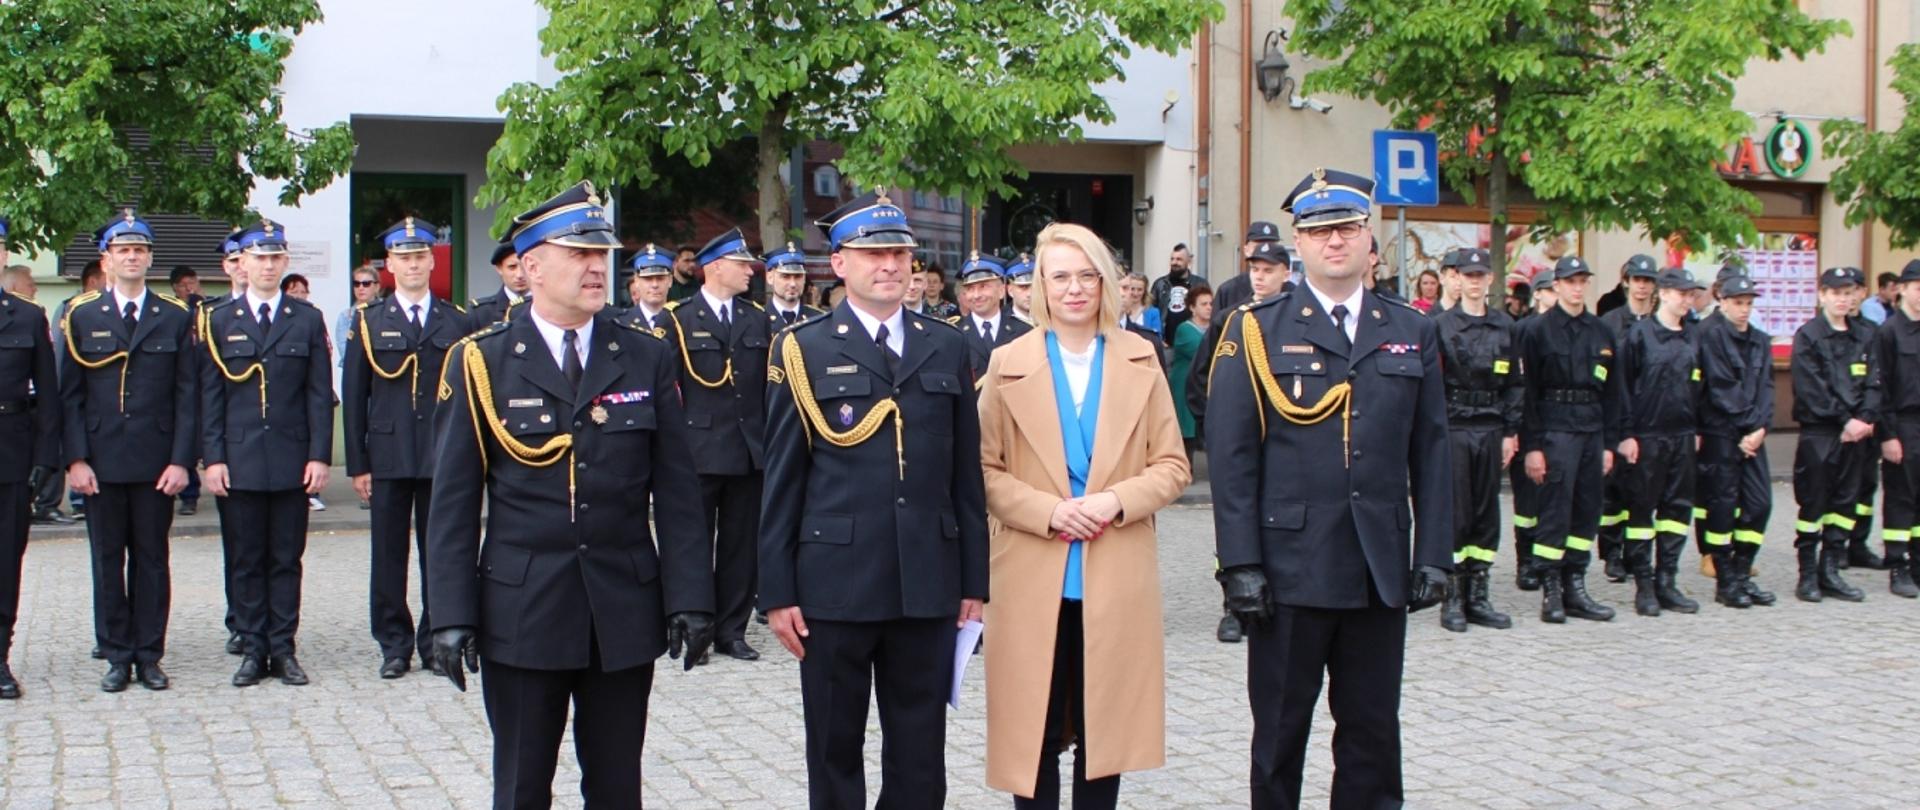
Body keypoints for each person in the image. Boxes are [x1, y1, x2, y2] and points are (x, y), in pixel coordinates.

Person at [426, 181, 714, 809]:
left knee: (616, 787)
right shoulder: (482, 360)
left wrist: (690, 597)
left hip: (622, 602)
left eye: (601, 253)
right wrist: (449, 614)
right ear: (530, 267)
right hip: (523, 607)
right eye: (577, 253)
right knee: (523, 785)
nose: (595, 266)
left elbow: (678, 491)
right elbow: (451, 502)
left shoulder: (643, 355)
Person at [1206, 169, 1450, 808]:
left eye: (1346, 228)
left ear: (1370, 239)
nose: (1333, 242)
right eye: (1318, 232)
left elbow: (1431, 451)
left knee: (1372, 734)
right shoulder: (1255, 328)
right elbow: (1232, 462)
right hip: (1289, 572)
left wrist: (1433, 555)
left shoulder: (1412, 329)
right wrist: (1240, 565)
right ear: (1298, 244)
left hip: (1377, 571)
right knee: (1281, 735)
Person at [760, 192, 988, 809]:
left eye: (900, 253)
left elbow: (965, 475)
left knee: (920, 750)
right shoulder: (804, 348)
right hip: (835, 583)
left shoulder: (947, 346)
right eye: (873, 253)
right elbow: (782, 478)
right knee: (834, 746)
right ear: (838, 264)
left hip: (927, 579)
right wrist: (777, 591)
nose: (889, 265)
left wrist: (975, 578)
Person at [976, 222, 1190, 808]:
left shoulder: (1141, 357)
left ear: (1106, 284)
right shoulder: (1006, 362)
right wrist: (1048, 511)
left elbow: (1172, 465)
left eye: (1086, 276)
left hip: (1115, 567)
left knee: (1105, 735)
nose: (1074, 288)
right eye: (1060, 276)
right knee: (1034, 731)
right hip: (1029, 567)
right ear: (1040, 285)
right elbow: (983, 471)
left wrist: (1115, 501)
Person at [60, 210, 195, 693]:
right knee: (106, 559)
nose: (132, 257)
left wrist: (182, 460)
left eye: (139, 250)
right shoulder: (82, 314)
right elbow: (68, 394)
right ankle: (117, 654)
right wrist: (75, 459)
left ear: (150, 259)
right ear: (107, 259)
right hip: (100, 460)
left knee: (153, 559)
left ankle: (149, 653)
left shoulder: (175, 316)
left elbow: (187, 394)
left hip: (157, 460)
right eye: (123, 250)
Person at [200, 219, 335, 687]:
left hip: (291, 458)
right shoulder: (219, 320)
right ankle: (253, 649)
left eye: (275, 257)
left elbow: (319, 394)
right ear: (243, 263)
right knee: (245, 560)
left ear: (284, 262)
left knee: (285, 559)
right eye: (259, 258)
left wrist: (320, 456)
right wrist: (212, 458)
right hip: (238, 461)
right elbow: (211, 396)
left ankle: (284, 647)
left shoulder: (307, 318)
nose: (267, 265)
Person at [342, 217, 473, 680]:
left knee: (440, 551)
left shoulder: (456, 320)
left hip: (441, 456)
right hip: (389, 456)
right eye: (404, 257)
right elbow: (355, 395)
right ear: (389, 266)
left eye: (421, 256)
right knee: (388, 556)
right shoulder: (369, 322)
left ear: (431, 261)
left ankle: (436, 640)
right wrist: (357, 464)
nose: (414, 264)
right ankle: (393, 644)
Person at [662, 226, 770, 663]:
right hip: (699, 448)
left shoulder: (756, 318)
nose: (750, 270)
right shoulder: (679, 320)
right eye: (742, 263)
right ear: (715, 267)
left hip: (747, 448)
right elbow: (667, 389)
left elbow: (764, 386)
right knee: (694, 543)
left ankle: (732, 629)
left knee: (741, 547)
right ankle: (697, 627)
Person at [1515, 255, 1622, 623]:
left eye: (1582, 281)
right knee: (1554, 511)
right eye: (1570, 281)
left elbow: (1613, 391)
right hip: (1554, 430)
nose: (1577, 288)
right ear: (1556, 286)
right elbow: (1526, 393)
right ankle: (1551, 590)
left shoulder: (1601, 330)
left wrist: (1610, 443)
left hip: (1592, 429)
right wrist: (1532, 447)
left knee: (1587, 510)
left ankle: (1575, 583)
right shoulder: (1536, 331)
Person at [1431, 248, 1519, 632]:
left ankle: (1478, 595)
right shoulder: (1441, 325)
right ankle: (1452, 597)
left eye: (1481, 275)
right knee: (1458, 512)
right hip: (1455, 426)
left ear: (1490, 281)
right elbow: (1431, 383)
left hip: (1491, 426)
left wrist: (1511, 432)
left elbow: (1516, 384)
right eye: (1468, 275)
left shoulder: (1505, 326)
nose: (1474, 282)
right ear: (1457, 279)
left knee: (1487, 512)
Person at [1614, 269, 1706, 617]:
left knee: (1677, 511)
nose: (1686, 299)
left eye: (1690, 294)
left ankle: (1668, 580)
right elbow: (1621, 388)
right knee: (1642, 512)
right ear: (1663, 294)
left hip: (1681, 436)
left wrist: (1696, 430)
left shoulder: (1693, 337)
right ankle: (1644, 584)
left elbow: (1700, 387)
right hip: (1646, 437)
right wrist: (1625, 435)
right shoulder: (1639, 336)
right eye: (1680, 293)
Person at [0, 215, 63, 699]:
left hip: (11, 451)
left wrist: (46, 458)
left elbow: (48, 393)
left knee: (5, 560)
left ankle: (0, 656)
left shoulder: (26, 316)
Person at [1789, 267, 1876, 603]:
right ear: (1821, 295)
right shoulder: (1809, 336)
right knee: (1814, 504)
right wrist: (1846, 420)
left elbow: (1875, 382)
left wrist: (1865, 417)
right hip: (1821, 433)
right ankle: (1808, 575)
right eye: (1836, 292)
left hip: (1856, 435)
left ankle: (1831, 571)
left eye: (1848, 292)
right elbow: (1812, 389)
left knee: (1844, 504)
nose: (1843, 299)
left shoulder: (1865, 336)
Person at [1694, 274, 1776, 607]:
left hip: (1753, 436)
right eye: (1738, 302)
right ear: (1722, 301)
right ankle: (1726, 579)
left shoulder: (1760, 339)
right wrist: (1748, 427)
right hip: (1721, 433)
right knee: (1722, 507)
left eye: (1748, 303)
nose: (1744, 310)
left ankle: (1743, 574)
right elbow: (1720, 388)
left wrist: (1760, 429)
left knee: (1760, 504)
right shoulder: (1709, 336)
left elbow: (1767, 388)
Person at [1596, 255, 1660, 583]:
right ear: (1626, 282)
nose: (1642, 286)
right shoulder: (1609, 322)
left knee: (1642, 492)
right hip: (1617, 414)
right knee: (1613, 492)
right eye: (1637, 280)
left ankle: (1638, 554)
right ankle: (1611, 554)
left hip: (1650, 417)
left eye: (1647, 281)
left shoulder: (1660, 322)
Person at [1870, 259, 1920, 597]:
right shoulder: (1888, 332)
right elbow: (1880, 387)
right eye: (1918, 287)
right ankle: (1897, 565)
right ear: (1901, 289)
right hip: (1902, 423)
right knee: (1901, 496)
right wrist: (1887, 434)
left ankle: (1917, 561)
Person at [1510, 273, 1558, 591]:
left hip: (1558, 426)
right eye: (1550, 290)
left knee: (1551, 499)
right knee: (1526, 500)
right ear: (1538, 295)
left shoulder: (1566, 331)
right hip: (1527, 423)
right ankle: (1525, 560)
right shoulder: (1523, 330)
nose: (1556, 295)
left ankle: (1547, 561)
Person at [956, 253, 1031, 380]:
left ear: (1001, 291)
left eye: (983, 287)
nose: (976, 295)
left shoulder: (1025, 332)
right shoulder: (954, 333)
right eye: (970, 288)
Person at [1169, 284, 1212, 459]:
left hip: (1207, 384)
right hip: (1185, 384)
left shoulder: (1215, 327)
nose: (1209, 307)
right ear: (1192, 308)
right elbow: (1203, 352)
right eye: (1204, 304)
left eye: (1211, 303)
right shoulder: (1184, 329)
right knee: (1186, 428)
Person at [1211, 221, 1282, 313]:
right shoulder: (1229, 291)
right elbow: (1217, 326)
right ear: (1246, 250)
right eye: (1258, 247)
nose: (1264, 251)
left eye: (1270, 246)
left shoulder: (1292, 292)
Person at [468, 242, 530, 328]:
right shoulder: (480, 312)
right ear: (499, 269)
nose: (519, 275)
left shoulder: (551, 306)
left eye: (525, 267)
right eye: (512, 267)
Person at [1150, 243, 1202, 341]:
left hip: (1192, 341)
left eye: (1179, 259)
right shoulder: (1160, 284)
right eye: (1172, 259)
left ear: (1189, 261)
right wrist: (1157, 338)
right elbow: (1150, 311)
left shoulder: (1199, 284)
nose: (1174, 262)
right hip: (1166, 343)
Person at [764, 243, 824, 328]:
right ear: (770, 278)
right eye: (785, 276)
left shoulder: (819, 320)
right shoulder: (757, 319)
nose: (793, 284)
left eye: (798, 276)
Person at [619, 243, 676, 331]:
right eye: (648, 279)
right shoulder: (622, 323)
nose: (655, 285)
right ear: (636, 281)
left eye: (660, 278)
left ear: (670, 280)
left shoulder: (682, 320)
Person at [336, 265, 383, 366]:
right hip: (355, 370)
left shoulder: (387, 312)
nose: (361, 288)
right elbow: (346, 352)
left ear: (377, 287)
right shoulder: (345, 316)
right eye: (356, 284)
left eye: (366, 284)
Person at [1117, 271, 1162, 335]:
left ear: (1145, 291)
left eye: (1140, 290)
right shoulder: (1120, 310)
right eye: (1132, 289)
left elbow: (1157, 337)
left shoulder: (1153, 312)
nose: (1136, 293)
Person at [1008, 255, 1036, 325]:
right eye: (1024, 287)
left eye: (1035, 287)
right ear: (1010, 290)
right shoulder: (999, 321)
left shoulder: (1053, 318)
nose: (1030, 294)